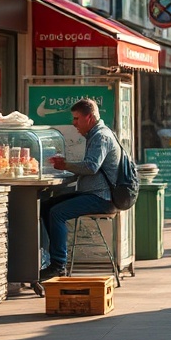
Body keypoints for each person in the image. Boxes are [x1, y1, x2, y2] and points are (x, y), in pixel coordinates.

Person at [39, 98, 119, 280]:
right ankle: (48, 258)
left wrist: (65, 165)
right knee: (46, 206)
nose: (73, 123)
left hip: (102, 198)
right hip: (92, 193)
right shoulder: (95, 134)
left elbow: (91, 167)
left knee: (57, 213)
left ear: (89, 117)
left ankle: (58, 265)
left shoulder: (101, 136)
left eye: (76, 119)